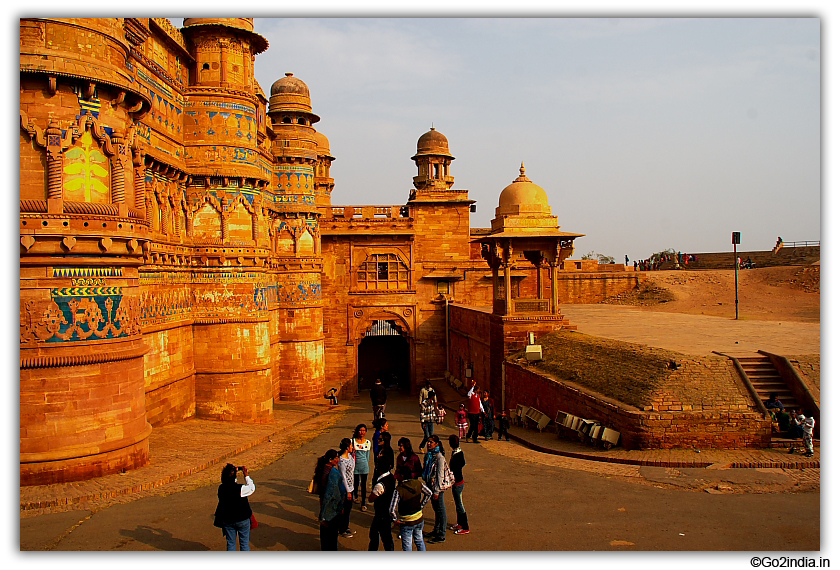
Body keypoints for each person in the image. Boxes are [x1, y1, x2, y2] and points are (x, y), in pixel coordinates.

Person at [213, 463, 255, 551]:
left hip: (227, 519)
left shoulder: (221, 488)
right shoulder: (240, 488)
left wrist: (231, 472)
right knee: (244, 543)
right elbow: (251, 488)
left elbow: (229, 482)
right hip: (242, 519)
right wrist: (246, 475)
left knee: (231, 543)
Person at [390, 465, 432, 551]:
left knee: (407, 545)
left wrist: (395, 520)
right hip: (419, 518)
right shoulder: (418, 483)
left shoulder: (399, 490)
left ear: (402, 476)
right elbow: (429, 493)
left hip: (406, 522)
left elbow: (391, 509)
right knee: (419, 540)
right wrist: (421, 505)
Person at [367, 454, 397, 551]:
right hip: (386, 510)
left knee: (378, 535)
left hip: (381, 513)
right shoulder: (391, 477)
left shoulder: (380, 484)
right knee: (385, 537)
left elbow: (371, 498)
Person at [422, 435, 448, 544]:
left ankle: (441, 534)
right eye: (428, 442)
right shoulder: (429, 456)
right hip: (430, 485)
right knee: (436, 509)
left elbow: (440, 475)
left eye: (431, 442)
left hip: (437, 487)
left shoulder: (439, 458)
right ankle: (436, 530)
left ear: (436, 444)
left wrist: (437, 491)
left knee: (440, 510)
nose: (429, 444)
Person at [318, 450, 343, 551]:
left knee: (324, 529)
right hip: (332, 505)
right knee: (332, 532)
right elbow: (334, 492)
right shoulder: (333, 474)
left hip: (323, 502)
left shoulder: (321, 469)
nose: (338, 460)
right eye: (336, 458)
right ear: (330, 460)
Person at [448, 435, 470, 535]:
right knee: (457, 504)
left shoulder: (456, 455)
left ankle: (465, 526)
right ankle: (460, 523)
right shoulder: (459, 452)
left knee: (460, 505)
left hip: (457, 482)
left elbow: (455, 467)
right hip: (458, 481)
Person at [337, 438, 355, 538]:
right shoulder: (341, 461)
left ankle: (346, 526)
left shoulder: (350, 456)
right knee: (344, 509)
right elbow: (343, 476)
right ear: (347, 447)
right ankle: (342, 529)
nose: (352, 447)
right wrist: (347, 491)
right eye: (351, 445)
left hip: (351, 486)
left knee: (348, 509)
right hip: (345, 488)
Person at [352, 424, 371, 512]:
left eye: (364, 430)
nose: (362, 432)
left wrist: (365, 464)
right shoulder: (353, 441)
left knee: (363, 485)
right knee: (355, 483)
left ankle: (363, 503)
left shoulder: (368, 442)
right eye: (360, 430)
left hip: (364, 467)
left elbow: (367, 456)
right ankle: (355, 496)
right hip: (355, 466)